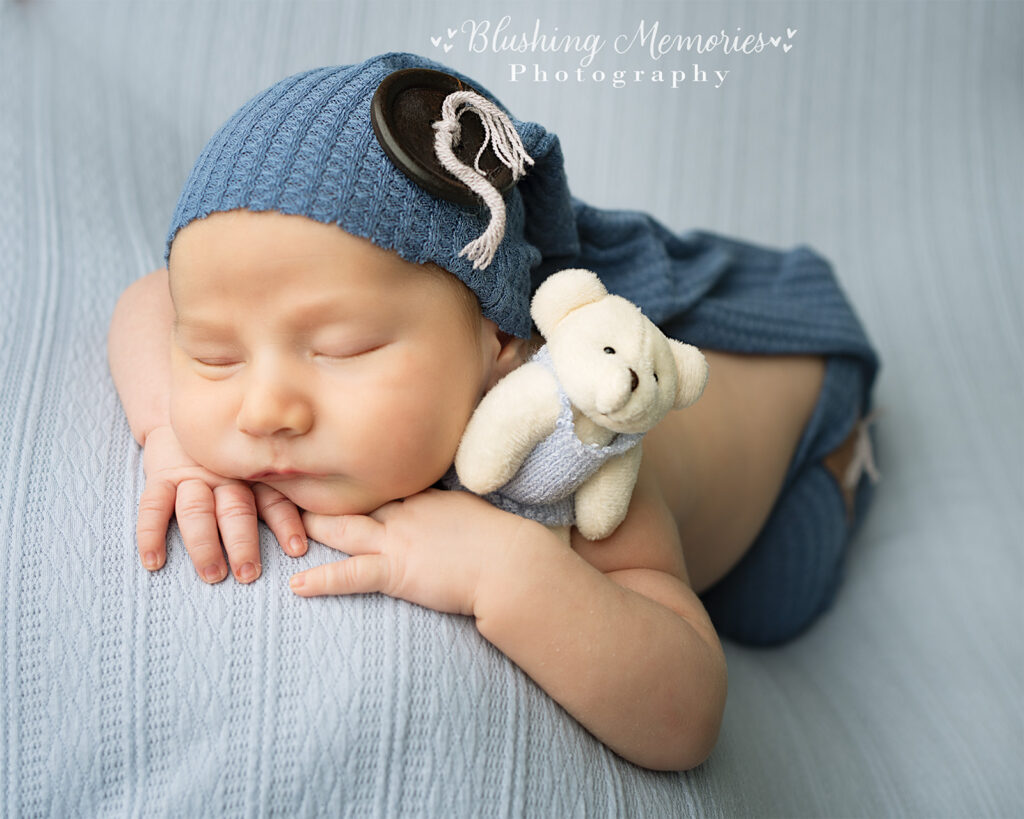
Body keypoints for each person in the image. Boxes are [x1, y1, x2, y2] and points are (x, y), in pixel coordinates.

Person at [107, 52, 880, 772]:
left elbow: (688, 715)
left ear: (500, 340)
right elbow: (147, 302)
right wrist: (168, 432)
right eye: (216, 355)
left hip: (794, 399)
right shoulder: (262, 345)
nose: (265, 407)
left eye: (341, 348)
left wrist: (509, 570)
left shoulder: (571, 447)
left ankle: (852, 460)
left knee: (772, 601)